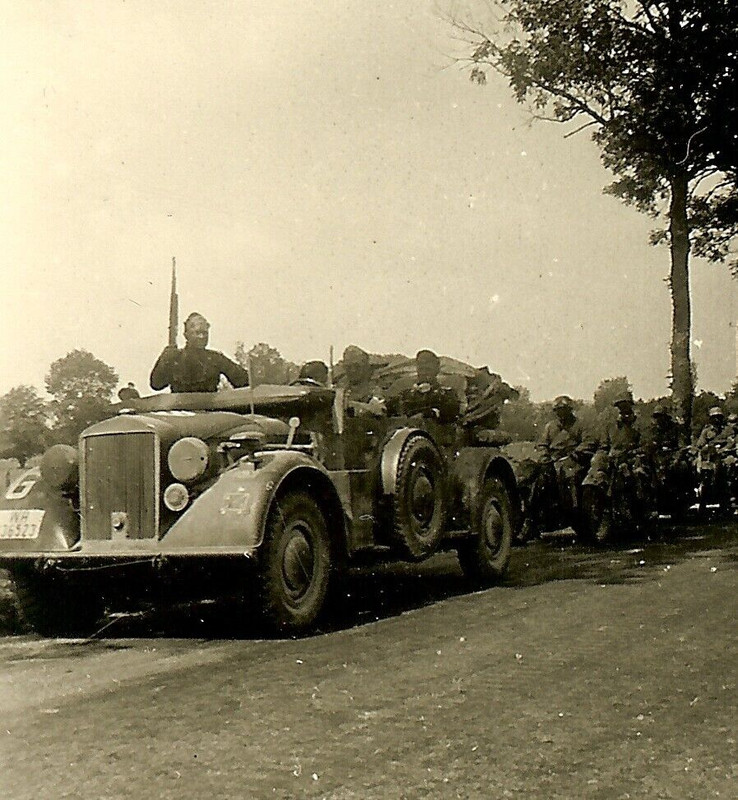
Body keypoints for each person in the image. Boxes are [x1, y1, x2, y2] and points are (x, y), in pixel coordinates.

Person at [523, 395, 593, 537]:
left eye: (564, 410)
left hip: (573, 459)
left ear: (570, 410)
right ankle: (532, 519)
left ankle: (573, 512)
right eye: (558, 410)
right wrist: (545, 456)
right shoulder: (550, 427)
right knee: (538, 481)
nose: (561, 413)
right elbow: (542, 444)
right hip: (553, 460)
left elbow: (588, 442)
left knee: (569, 477)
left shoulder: (580, 425)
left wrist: (575, 453)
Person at [150, 312, 249, 393]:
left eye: (204, 333)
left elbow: (243, 380)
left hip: (209, 412)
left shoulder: (216, 358)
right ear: (186, 335)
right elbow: (156, 385)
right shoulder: (174, 357)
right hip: (180, 413)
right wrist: (165, 360)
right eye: (197, 333)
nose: (201, 337)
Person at [386, 349, 462, 423]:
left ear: (436, 369)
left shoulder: (446, 394)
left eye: (428, 369)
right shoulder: (407, 394)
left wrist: (429, 413)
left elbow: (451, 411)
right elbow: (390, 408)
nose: (424, 373)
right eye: (421, 369)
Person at [336, 345, 385, 416]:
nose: (353, 370)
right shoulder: (342, 384)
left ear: (365, 366)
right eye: (348, 367)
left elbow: (379, 409)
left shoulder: (376, 383)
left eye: (357, 366)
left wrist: (350, 405)